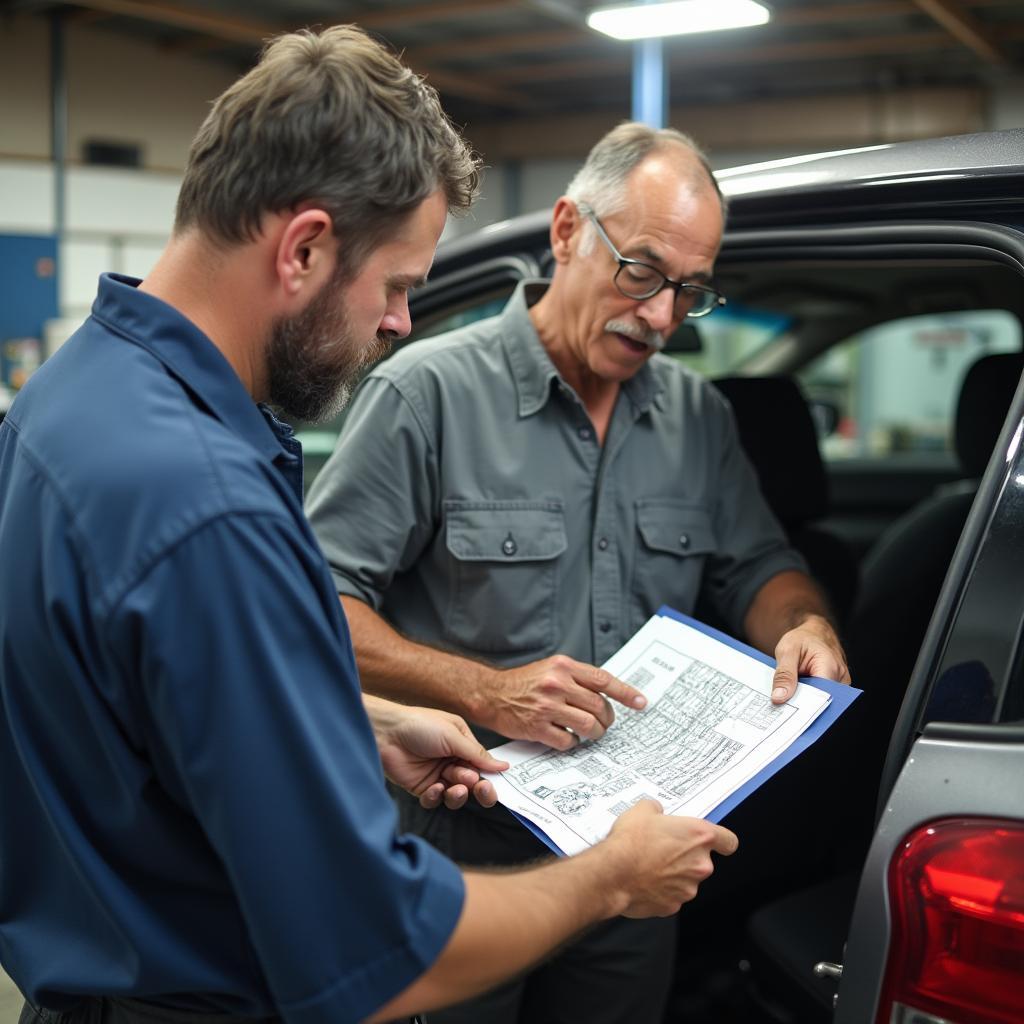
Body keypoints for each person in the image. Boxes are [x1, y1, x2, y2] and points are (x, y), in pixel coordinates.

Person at [0, 30, 740, 1024]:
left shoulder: (64, 403)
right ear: (304, 246)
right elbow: (377, 949)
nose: (399, 322)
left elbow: (126, 700)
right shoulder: (206, 506)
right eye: (395, 285)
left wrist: (354, 718)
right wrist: (612, 878)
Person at [305, 121, 852, 1024]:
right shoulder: (426, 395)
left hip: (634, 856)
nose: (662, 317)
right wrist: (489, 692)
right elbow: (317, 605)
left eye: (691, 293)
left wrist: (804, 623)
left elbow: (762, 566)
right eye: (641, 273)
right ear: (566, 231)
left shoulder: (697, 417)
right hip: (455, 849)